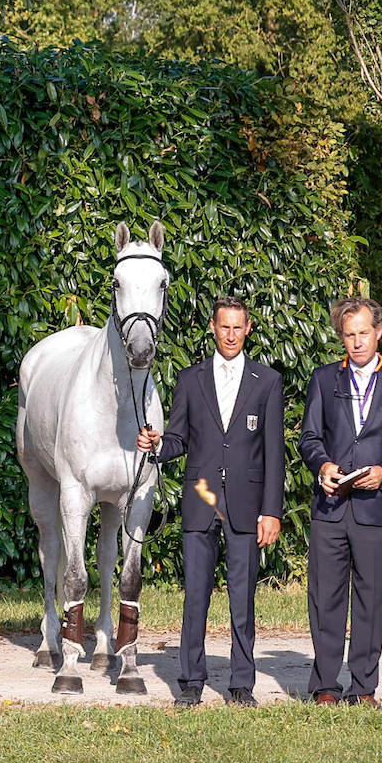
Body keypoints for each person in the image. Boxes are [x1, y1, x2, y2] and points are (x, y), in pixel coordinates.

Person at [134, 296, 285, 707]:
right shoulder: (189, 379)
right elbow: (179, 439)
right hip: (201, 500)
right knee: (195, 595)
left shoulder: (267, 381)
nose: (231, 335)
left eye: (238, 327)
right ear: (213, 328)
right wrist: (157, 444)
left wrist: (271, 510)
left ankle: (240, 685)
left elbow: (274, 453)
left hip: (246, 503)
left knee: (243, 597)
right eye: (224, 327)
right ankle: (191, 682)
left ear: (248, 328)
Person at [298, 296, 382, 706]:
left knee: (371, 600)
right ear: (342, 337)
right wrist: (323, 466)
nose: (356, 342)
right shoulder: (323, 380)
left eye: (363, 333)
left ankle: (364, 687)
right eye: (349, 335)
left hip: (376, 510)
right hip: (330, 508)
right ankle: (324, 687)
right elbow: (309, 438)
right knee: (325, 598)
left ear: (379, 332)